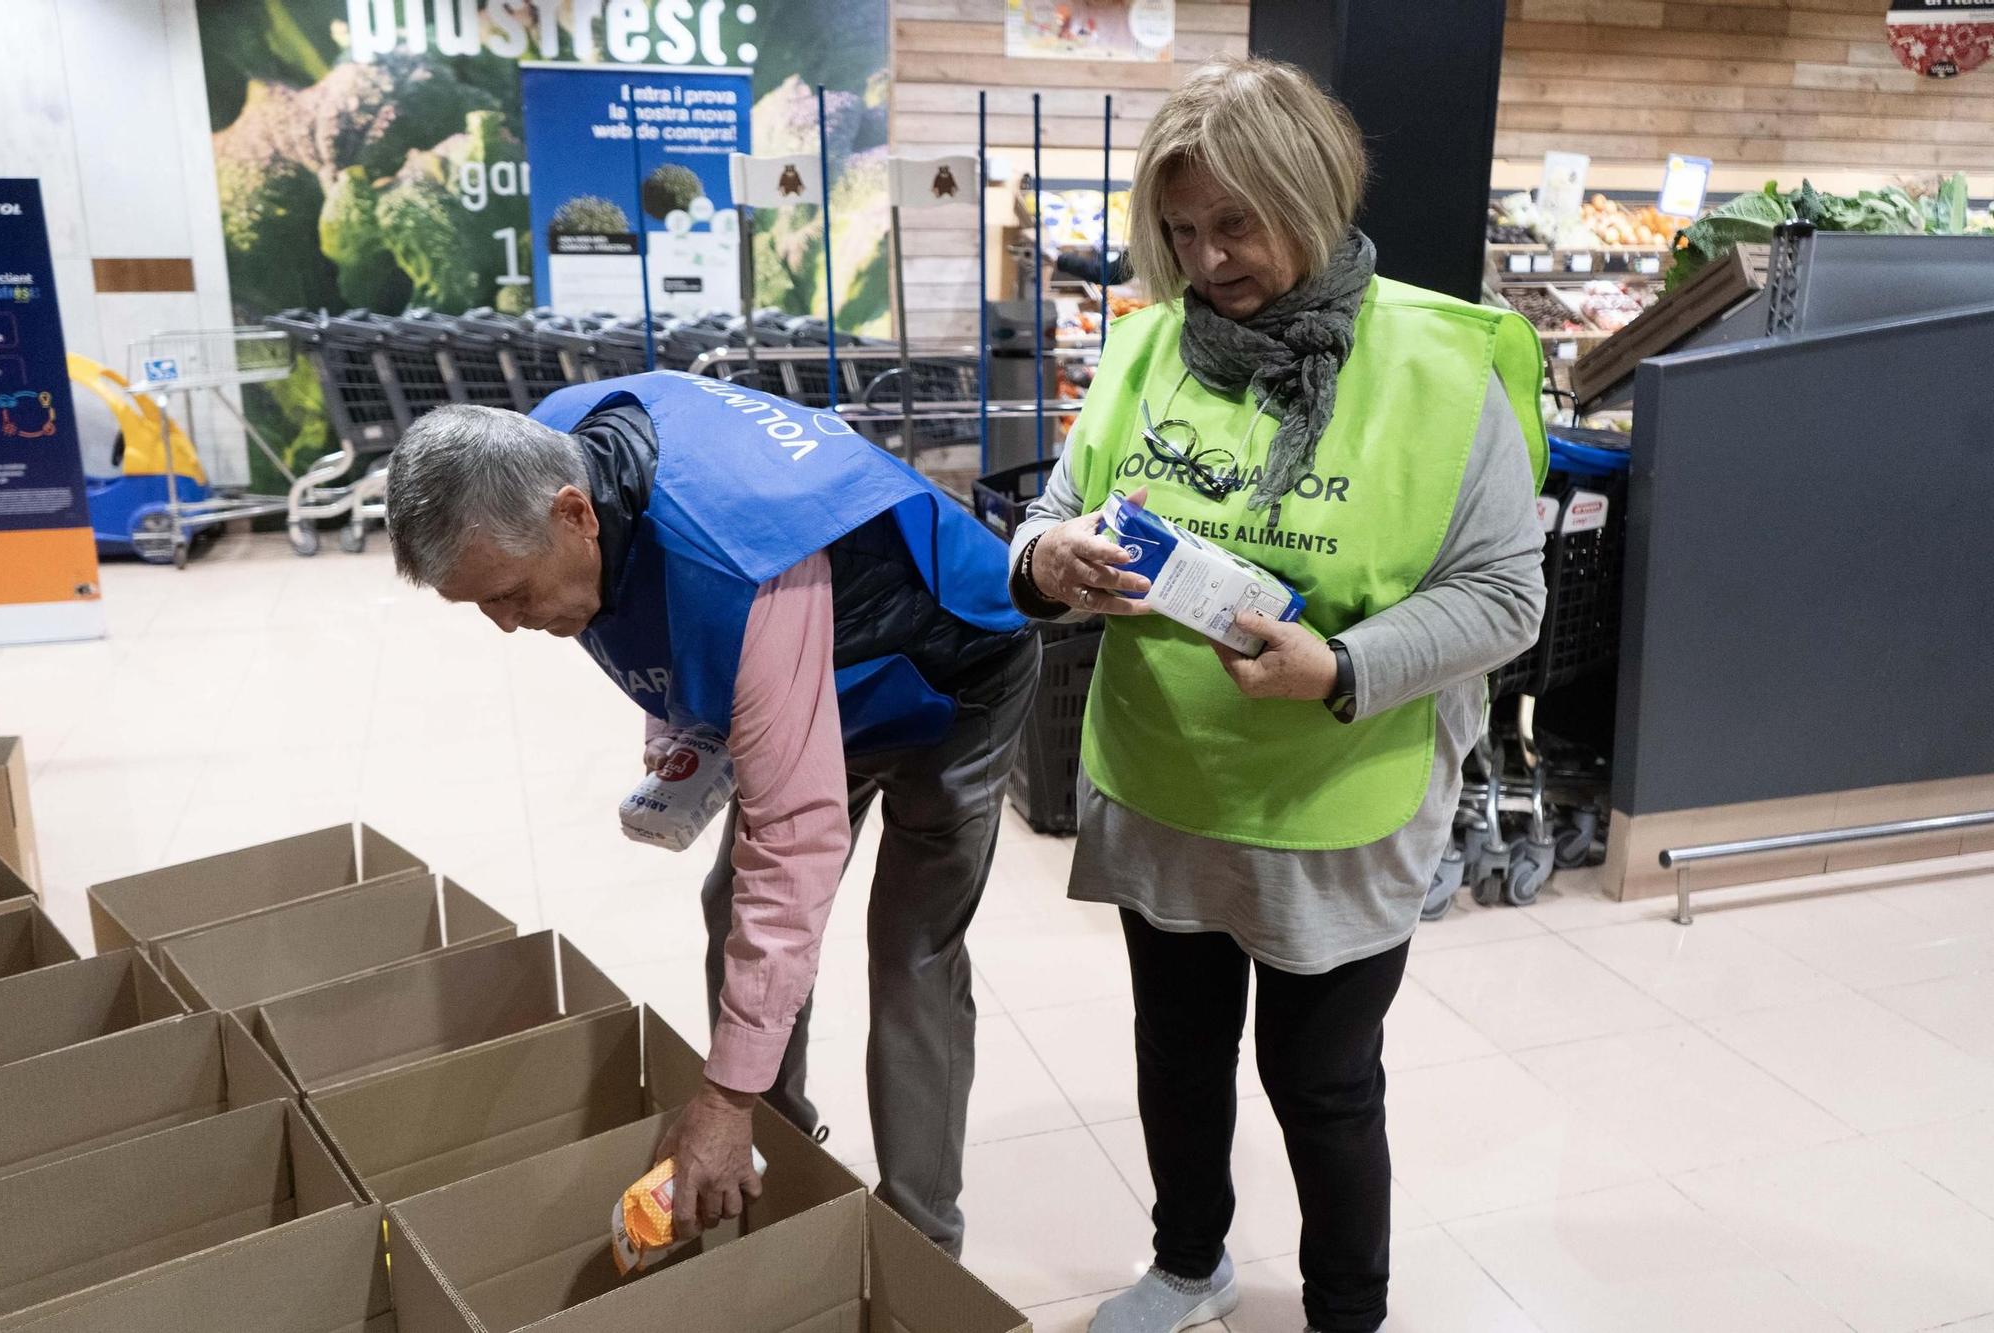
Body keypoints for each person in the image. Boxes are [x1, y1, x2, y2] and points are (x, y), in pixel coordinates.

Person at [1008, 56, 1548, 1333]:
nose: (1204, 259)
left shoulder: (1440, 366)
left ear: (1307, 192)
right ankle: (1188, 1264)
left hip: (1333, 803)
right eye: (1181, 230)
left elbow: (1502, 598)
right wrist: (1047, 559)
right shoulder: (1144, 352)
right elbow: (1044, 516)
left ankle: (1342, 1312)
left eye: (1234, 223)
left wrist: (1343, 669)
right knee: (1178, 1059)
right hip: (1163, 787)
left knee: (1321, 1083)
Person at [386, 371, 1040, 1259]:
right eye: (484, 605)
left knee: (910, 951)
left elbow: (796, 839)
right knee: (729, 905)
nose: (507, 623)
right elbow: (644, 600)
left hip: (954, 671)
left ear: (574, 515)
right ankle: (777, 1151)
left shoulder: (737, 561)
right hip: (829, 667)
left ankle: (922, 1244)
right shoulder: (548, 450)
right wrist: (678, 723)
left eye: (511, 592)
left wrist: (722, 1098)